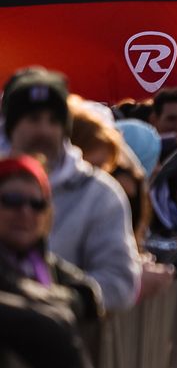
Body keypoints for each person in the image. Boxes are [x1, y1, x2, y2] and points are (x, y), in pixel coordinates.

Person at [1, 70, 138, 313]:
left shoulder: (100, 194)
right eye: (33, 119)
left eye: (53, 121)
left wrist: (61, 302)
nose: (44, 130)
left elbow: (120, 282)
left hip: (68, 340)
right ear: (11, 127)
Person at [0, 155, 108, 368]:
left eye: (37, 203)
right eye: (11, 201)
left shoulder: (45, 264)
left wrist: (49, 302)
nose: (25, 212)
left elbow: (89, 293)